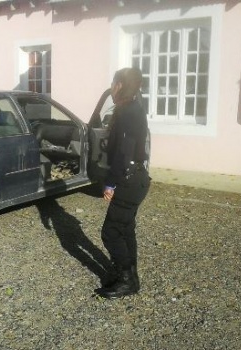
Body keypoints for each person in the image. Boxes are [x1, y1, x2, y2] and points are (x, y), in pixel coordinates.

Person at [94, 67, 151, 299]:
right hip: (136, 178)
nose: (112, 87)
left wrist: (111, 183)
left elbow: (124, 153)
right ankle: (130, 275)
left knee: (111, 232)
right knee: (126, 229)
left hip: (128, 180)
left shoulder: (127, 112)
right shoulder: (135, 107)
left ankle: (127, 280)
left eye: (114, 83)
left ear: (120, 85)